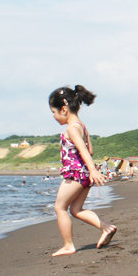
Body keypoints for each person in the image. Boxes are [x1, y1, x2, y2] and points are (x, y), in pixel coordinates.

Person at [49, 85, 115, 257]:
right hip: (84, 174)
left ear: (63, 109)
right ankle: (106, 228)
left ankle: (68, 245)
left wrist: (93, 169)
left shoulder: (72, 128)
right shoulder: (82, 126)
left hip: (76, 174)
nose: (54, 117)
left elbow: (85, 152)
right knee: (76, 210)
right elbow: (90, 150)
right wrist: (90, 170)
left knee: (60, 207)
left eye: (54, 112)